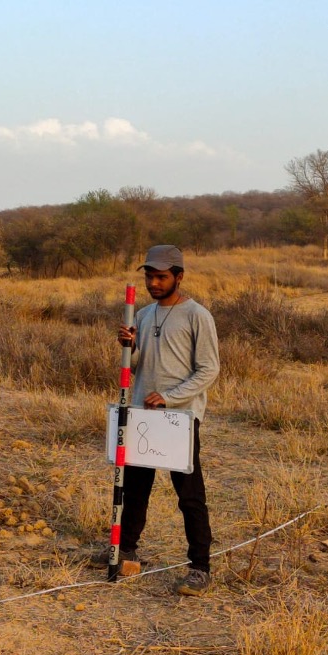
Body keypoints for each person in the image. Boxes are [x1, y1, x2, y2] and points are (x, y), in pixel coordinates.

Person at [92, 245, 220, 596]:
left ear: (179, 276)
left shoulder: (197, 315)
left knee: (190, 496)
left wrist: (169, 396)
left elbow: (209, 369)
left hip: (179, 419)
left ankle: (200, 568)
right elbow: (136, 366)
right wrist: (129, 347)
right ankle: (126, 550)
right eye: (149, 276)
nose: (153, 283)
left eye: (161, 276)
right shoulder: (144, 314)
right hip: (141, 415)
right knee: (134, 489)